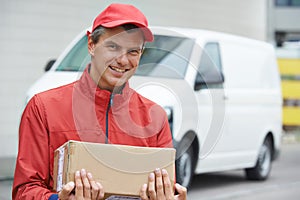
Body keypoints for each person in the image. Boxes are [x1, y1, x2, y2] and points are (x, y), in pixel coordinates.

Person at [12, 3, 187, 200]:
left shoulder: (155, 117)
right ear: (91, 45)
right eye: (113, 46)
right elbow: (24, 190)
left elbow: (166, 188)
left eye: (133, 52)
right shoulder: (42, 108)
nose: (123, 60)